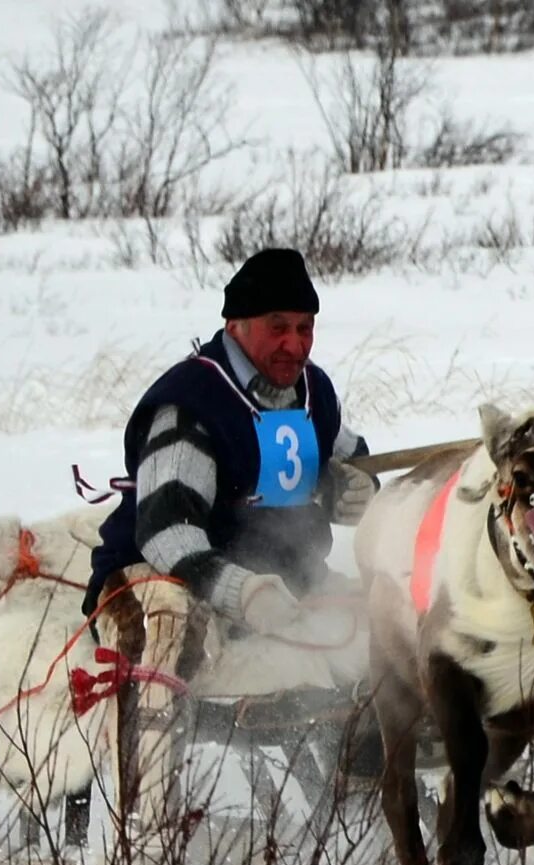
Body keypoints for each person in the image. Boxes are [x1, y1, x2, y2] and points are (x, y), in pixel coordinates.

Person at [83, 247, 378, 824]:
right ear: (235, 326)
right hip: (160, 576)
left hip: (291, 579)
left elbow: (352, 459)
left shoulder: (313, 393)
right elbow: (166, 533)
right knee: (165, 625)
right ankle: (144, 828)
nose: (294, 344)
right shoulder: (192, 406)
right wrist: (241, 592)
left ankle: (364, 801)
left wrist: (357, 487)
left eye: (304, 328)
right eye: (277, 329)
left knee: (390, 619)